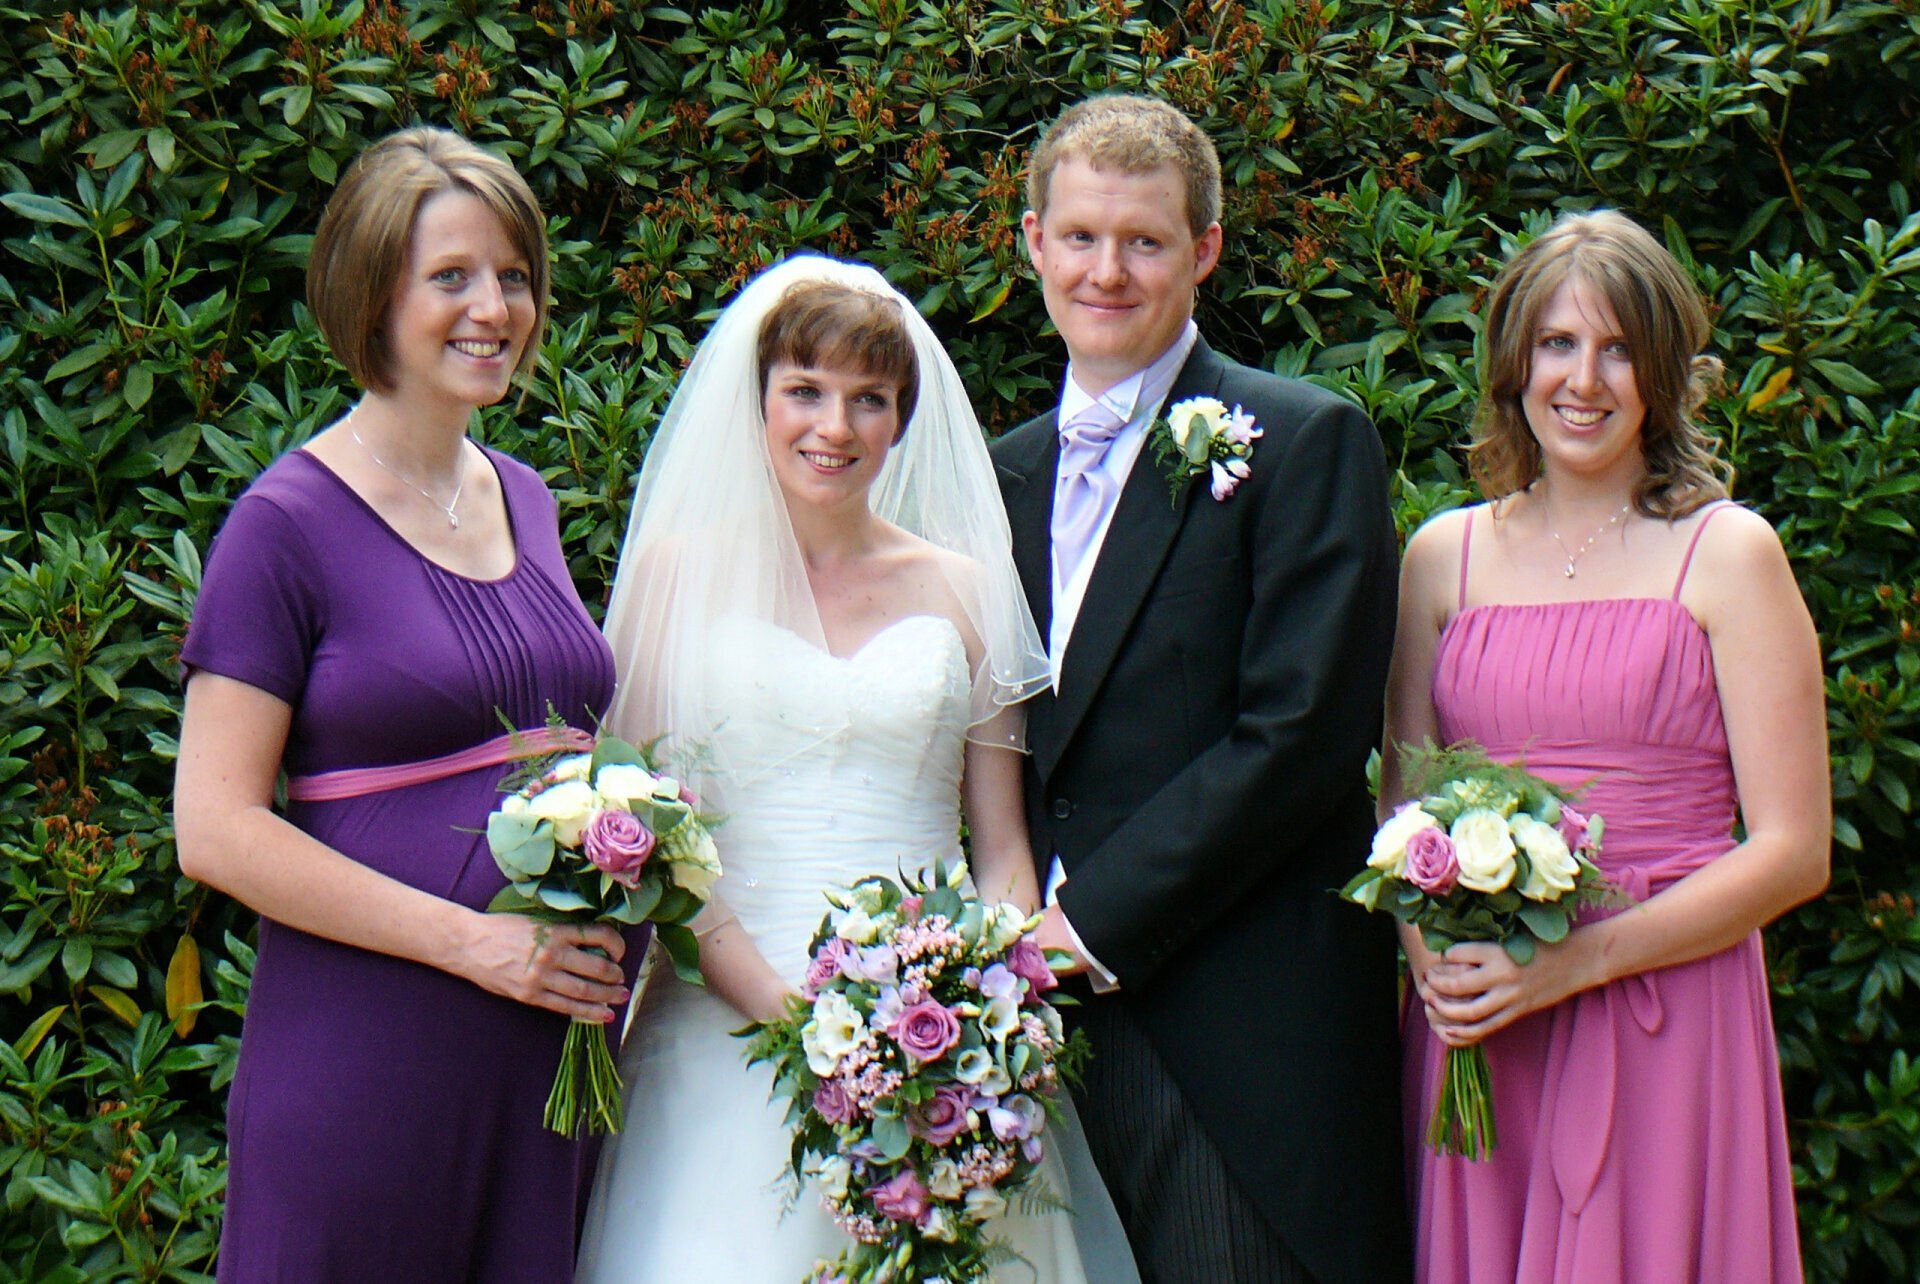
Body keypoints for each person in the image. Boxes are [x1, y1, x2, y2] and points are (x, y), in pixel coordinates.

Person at [577, 256, 1140, 1281]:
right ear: (757, 405)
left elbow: (1003, 846)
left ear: (900, 419)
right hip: (725, 1021)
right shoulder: (675, 577)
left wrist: (989, 1006)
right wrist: (801, 1027)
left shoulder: (965, 589)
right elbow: (655, 839)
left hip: (934, 1038)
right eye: (804, 392)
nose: (833, 427)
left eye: (868, 400)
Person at [173, 127, 639, 1281]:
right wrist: (477, 946)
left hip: (538, 1068)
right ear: (371, 293)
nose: (495, 306)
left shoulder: (525, 498)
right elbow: (215, 829)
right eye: (452, 277)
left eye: (515, 276)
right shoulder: (284, 527)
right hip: (369, 1058)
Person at [990, 94, 1412, 1282]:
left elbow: (1301, 737)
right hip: (1023, 1033)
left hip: (1233, 1035)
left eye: (1145, 241)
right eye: (1079, 237)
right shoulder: (997, 475)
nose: (1106, 271)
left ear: (1205, 251)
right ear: (1032, 243)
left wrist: (1089, 922)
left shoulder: (1303, 442)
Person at [1384, 210, 1828, 1281]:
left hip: (1665, 1016)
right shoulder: (1442, 558)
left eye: (1620, 349)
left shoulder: (1728, 555)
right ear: (1515, 363)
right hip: (1485, 1030)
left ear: (1663, 373)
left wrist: (1574, 965)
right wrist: (1444, 977)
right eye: (1559, 345)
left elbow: (1793, 849)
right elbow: (1399, 817)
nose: (1585, 381)